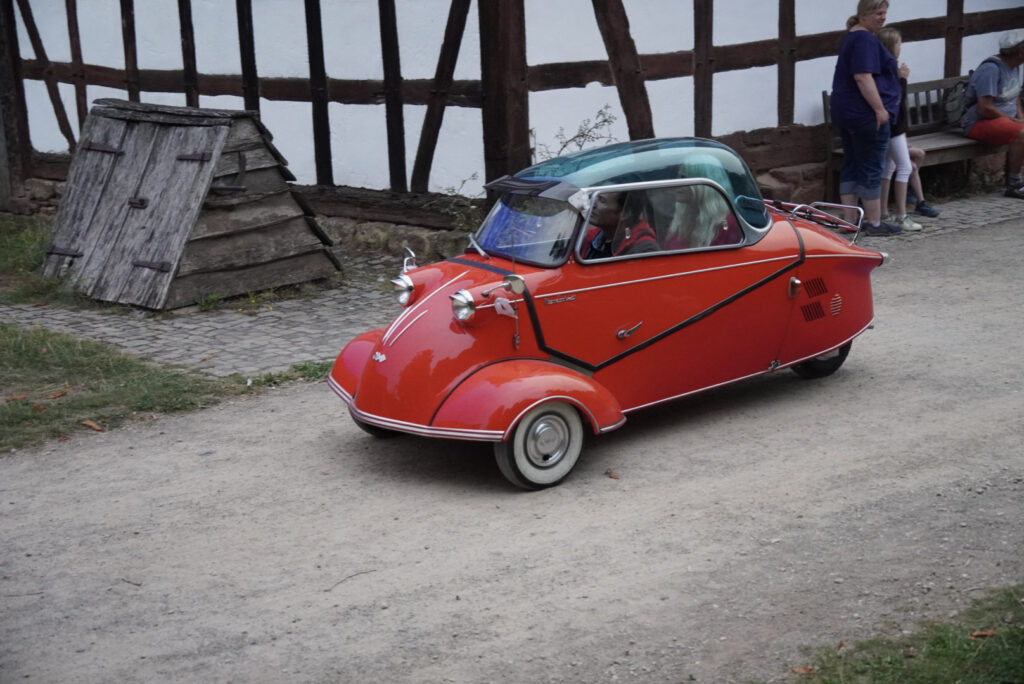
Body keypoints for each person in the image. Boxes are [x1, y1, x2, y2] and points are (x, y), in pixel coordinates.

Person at [829, 0, 902, 235]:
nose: (882, 17)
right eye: (877, 13)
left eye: (884, 13)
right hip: (864, 114)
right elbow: (863, 76)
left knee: (851, 163)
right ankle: (873, 222)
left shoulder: (853, 36)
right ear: (863, 14)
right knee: (871, 166)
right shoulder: (865, 39)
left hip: (847, 112)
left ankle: (850, 221)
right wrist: (880, 110)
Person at [961, 31, 1024, 199]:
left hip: (1002, 120)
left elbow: (1014, 96)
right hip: (978, 122)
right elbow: (984, 108)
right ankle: (1014, 184)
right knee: (1022, 134)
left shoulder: (1016, 67)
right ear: (1020, 51)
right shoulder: (991, 69)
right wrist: (1012, 121)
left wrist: (1020, 117)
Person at [876, 27, 922, 231]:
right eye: (898, 44)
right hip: (895, 127)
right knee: (904, 167)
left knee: (890, 167)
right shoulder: (890, 69)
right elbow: (897, 100)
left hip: (891, 126)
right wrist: (903, 79)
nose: (900, 48)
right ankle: (901, 215)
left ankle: (883, 210)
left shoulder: (880, 67)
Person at [582, 191, 658, 259]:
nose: (593, 204)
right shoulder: (593, 237)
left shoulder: (645, 250)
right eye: (595, 197)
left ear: (625, 213)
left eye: (602, 200)